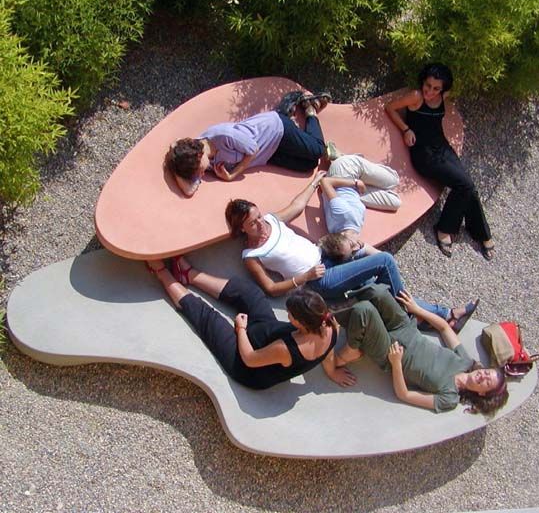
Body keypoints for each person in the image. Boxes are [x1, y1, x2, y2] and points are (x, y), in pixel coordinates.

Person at [224, 174, 475, 330]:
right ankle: (425, 314)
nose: (259, 223)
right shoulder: (251, 255)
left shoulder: (270, 220)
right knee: (384, 261)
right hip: (319, 280)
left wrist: (314, 182)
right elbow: (269, 288)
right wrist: (304, 277)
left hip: (326, 256)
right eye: (252, 223)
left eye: (258, 216)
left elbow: (297, 206)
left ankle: (441, 317)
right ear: (242, 228)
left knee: (380, 287)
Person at [146, 257, 356, 389]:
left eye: (290, 314)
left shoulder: (287, 349)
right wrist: (331, 371)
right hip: (266, 332)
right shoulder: (329, 324)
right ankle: (189, 275)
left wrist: (241, 329)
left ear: (300, 323)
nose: (287, 314)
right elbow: (328, 350)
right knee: (250, 293)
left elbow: (249, 359)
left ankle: (161, 273)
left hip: (248, 366)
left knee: (208, 317)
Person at [336, 284, 509, 414]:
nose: (483, 375)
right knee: (378, 292)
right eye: (488, 372)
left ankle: (349, 348)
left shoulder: (449, 399)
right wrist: (417, 309)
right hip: (405, 328)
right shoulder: (465, 361)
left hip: (390, 352)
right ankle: (337, 302)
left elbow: (404, 395)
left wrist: (396, 364)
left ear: (482, 394)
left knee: (365, 310)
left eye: (487, 381)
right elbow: (444, 328)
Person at [385, 63, 495, 260]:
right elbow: (390, 108)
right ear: (423, 82)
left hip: (442, 147)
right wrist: (405, 129)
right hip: (424, 154)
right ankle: (445, 229)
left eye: (436, 88)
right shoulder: (416, 97)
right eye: (428, 85)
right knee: (464, 185)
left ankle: (478, 232)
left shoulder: (443, 97)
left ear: (443, 89)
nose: (430, 91)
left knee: (468, 185)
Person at [165, 91, 331, 197]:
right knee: (308, 165)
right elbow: (189, 191)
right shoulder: (201, 161)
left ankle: (310, 109)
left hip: (274, 131)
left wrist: (232, 175)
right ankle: (287, 112)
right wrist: (175, 168)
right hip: (268, 154)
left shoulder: (222, 136)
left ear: (198, 155)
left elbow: (253, 150)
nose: (199, 175)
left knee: (318, 150)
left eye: (198, 170)